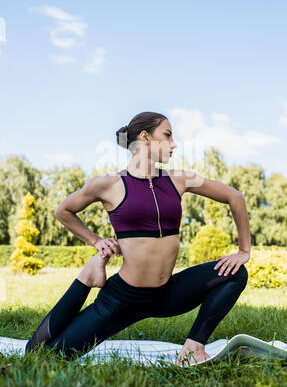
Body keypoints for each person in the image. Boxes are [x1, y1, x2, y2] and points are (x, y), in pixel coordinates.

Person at [25, 111, 250, 366]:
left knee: (236, 273)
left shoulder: (179, 179)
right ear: (145, 137)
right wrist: (96, 241)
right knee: (42, 354)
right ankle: (87, 277)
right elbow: (63, 211)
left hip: (167, 294)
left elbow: (235, 197)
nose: (174, 144)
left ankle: (193, 346)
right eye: (167, 135)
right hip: (123, 299)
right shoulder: (108, 183)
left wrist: (243, 250)